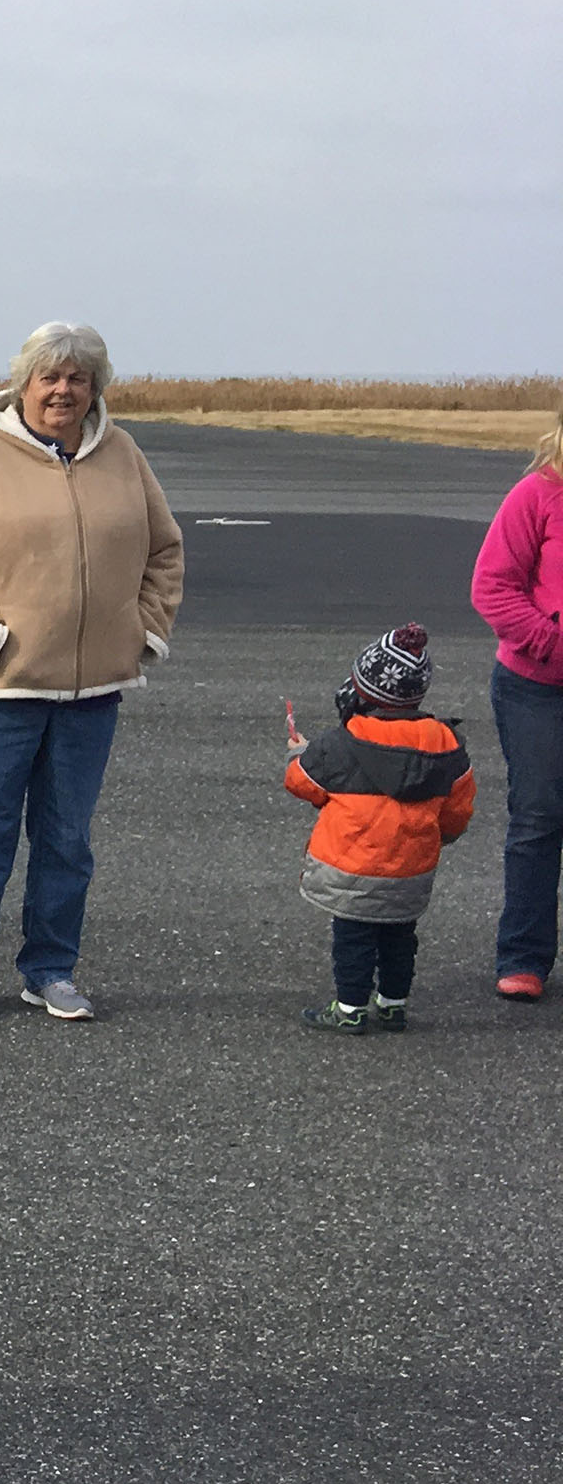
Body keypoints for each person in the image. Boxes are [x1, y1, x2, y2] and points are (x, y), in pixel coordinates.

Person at [0, 321, 183, 1021]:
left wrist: (144, 632)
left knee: (66, 840)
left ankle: (51, 969)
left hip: (91, 692)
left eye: (78, 378)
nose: (63, 390)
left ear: (96, 388)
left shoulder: (123, 456)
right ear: (24, 384)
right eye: (49, 378)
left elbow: (164, 551)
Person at [284, 624, 477, 1033]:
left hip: (351, 865)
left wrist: (300, 753)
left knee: (353, 939)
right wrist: (444, 834)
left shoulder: (343, 742)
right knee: (399, 938)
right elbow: (458, 808)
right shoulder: (446, 744)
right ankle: (393, 1004)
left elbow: (302, 783)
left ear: (364, 690)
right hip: (411, 867)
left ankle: (350, 1007)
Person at [468, 400, 563, 1001]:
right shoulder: (536, 494)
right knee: (538, 817)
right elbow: (492, 588)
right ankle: (524, 956)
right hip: (535, 685)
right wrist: (551, 643)